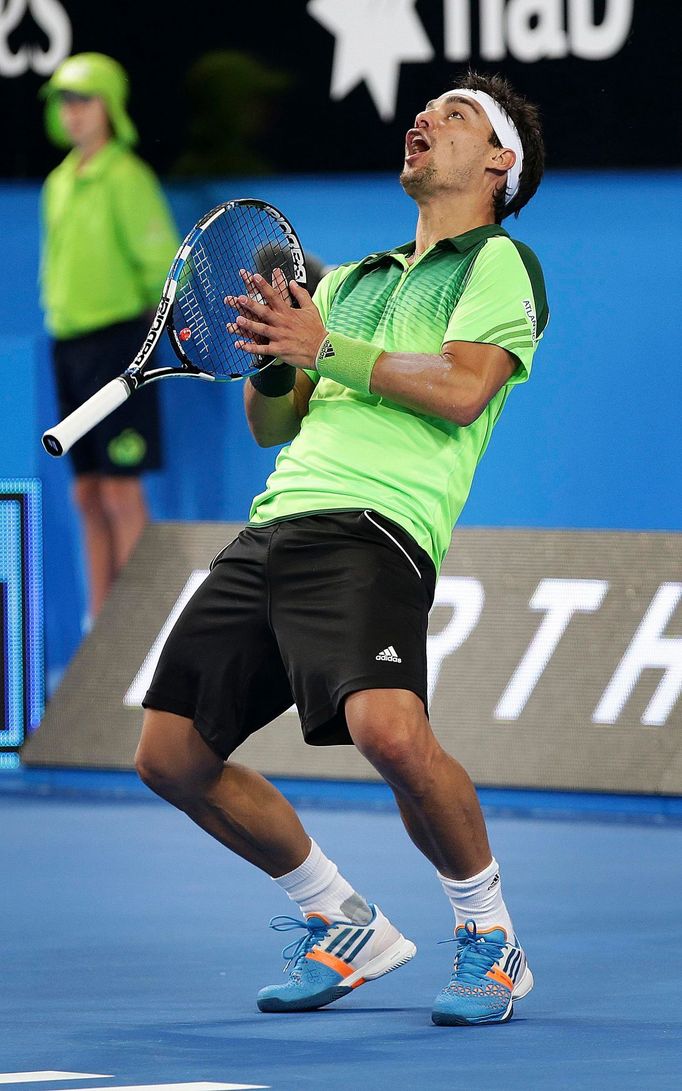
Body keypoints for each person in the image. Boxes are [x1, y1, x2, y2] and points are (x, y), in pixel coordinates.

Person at [136, 70, 549, 1027]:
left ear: (499, 163)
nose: (424, 123)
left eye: (453, 118)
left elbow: (460, 389)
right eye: (423, 113)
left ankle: (491, 937)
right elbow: (272, 425)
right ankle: (341, 918)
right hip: (276, 521)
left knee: (389, 730)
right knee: (169, 757)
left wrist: (322, 346)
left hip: (376, 526)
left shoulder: (501, 265)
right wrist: (279, 355)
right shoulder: (354, 281)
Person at [39, 53, 179, 621]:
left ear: (110, 107)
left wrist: (160, 329)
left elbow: (162, 272)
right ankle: (102, 631)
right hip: (68, 348)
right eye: (64, 103)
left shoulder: (129, 178)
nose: (73, 114)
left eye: (84, 100)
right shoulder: (56, 182)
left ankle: (139, 631)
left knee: (122, 493)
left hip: (121, 347)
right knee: (87, 493)